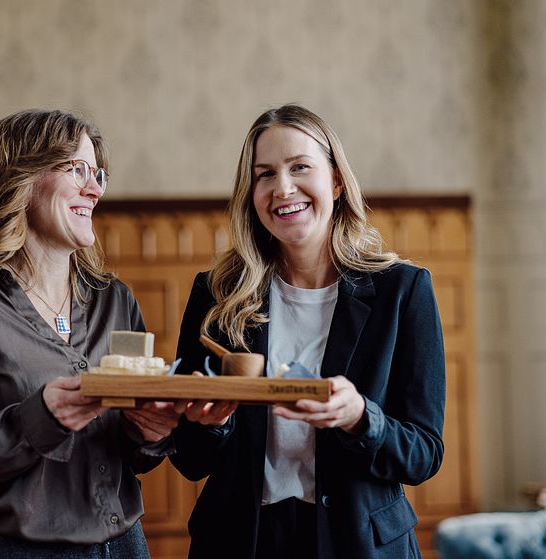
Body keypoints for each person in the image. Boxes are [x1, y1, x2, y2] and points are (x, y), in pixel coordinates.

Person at [171, 104, 446, 559]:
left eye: (300, 167)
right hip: (241, 540)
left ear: (336, 181)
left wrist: (361, 417)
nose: (282, 188)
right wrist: (212, 425)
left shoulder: (404, 290)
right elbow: (189, 457)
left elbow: (423, 453)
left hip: (358, 543)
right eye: (265, 174)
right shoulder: (217, 293)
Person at [0, 109, 181, 559]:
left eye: (98, 174)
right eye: (77, 170)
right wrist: (37, 422)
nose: (94, 189)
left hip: (127, 547)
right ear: (19, 179)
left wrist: (150, 434)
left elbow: (128, 451)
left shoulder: (117, 302)